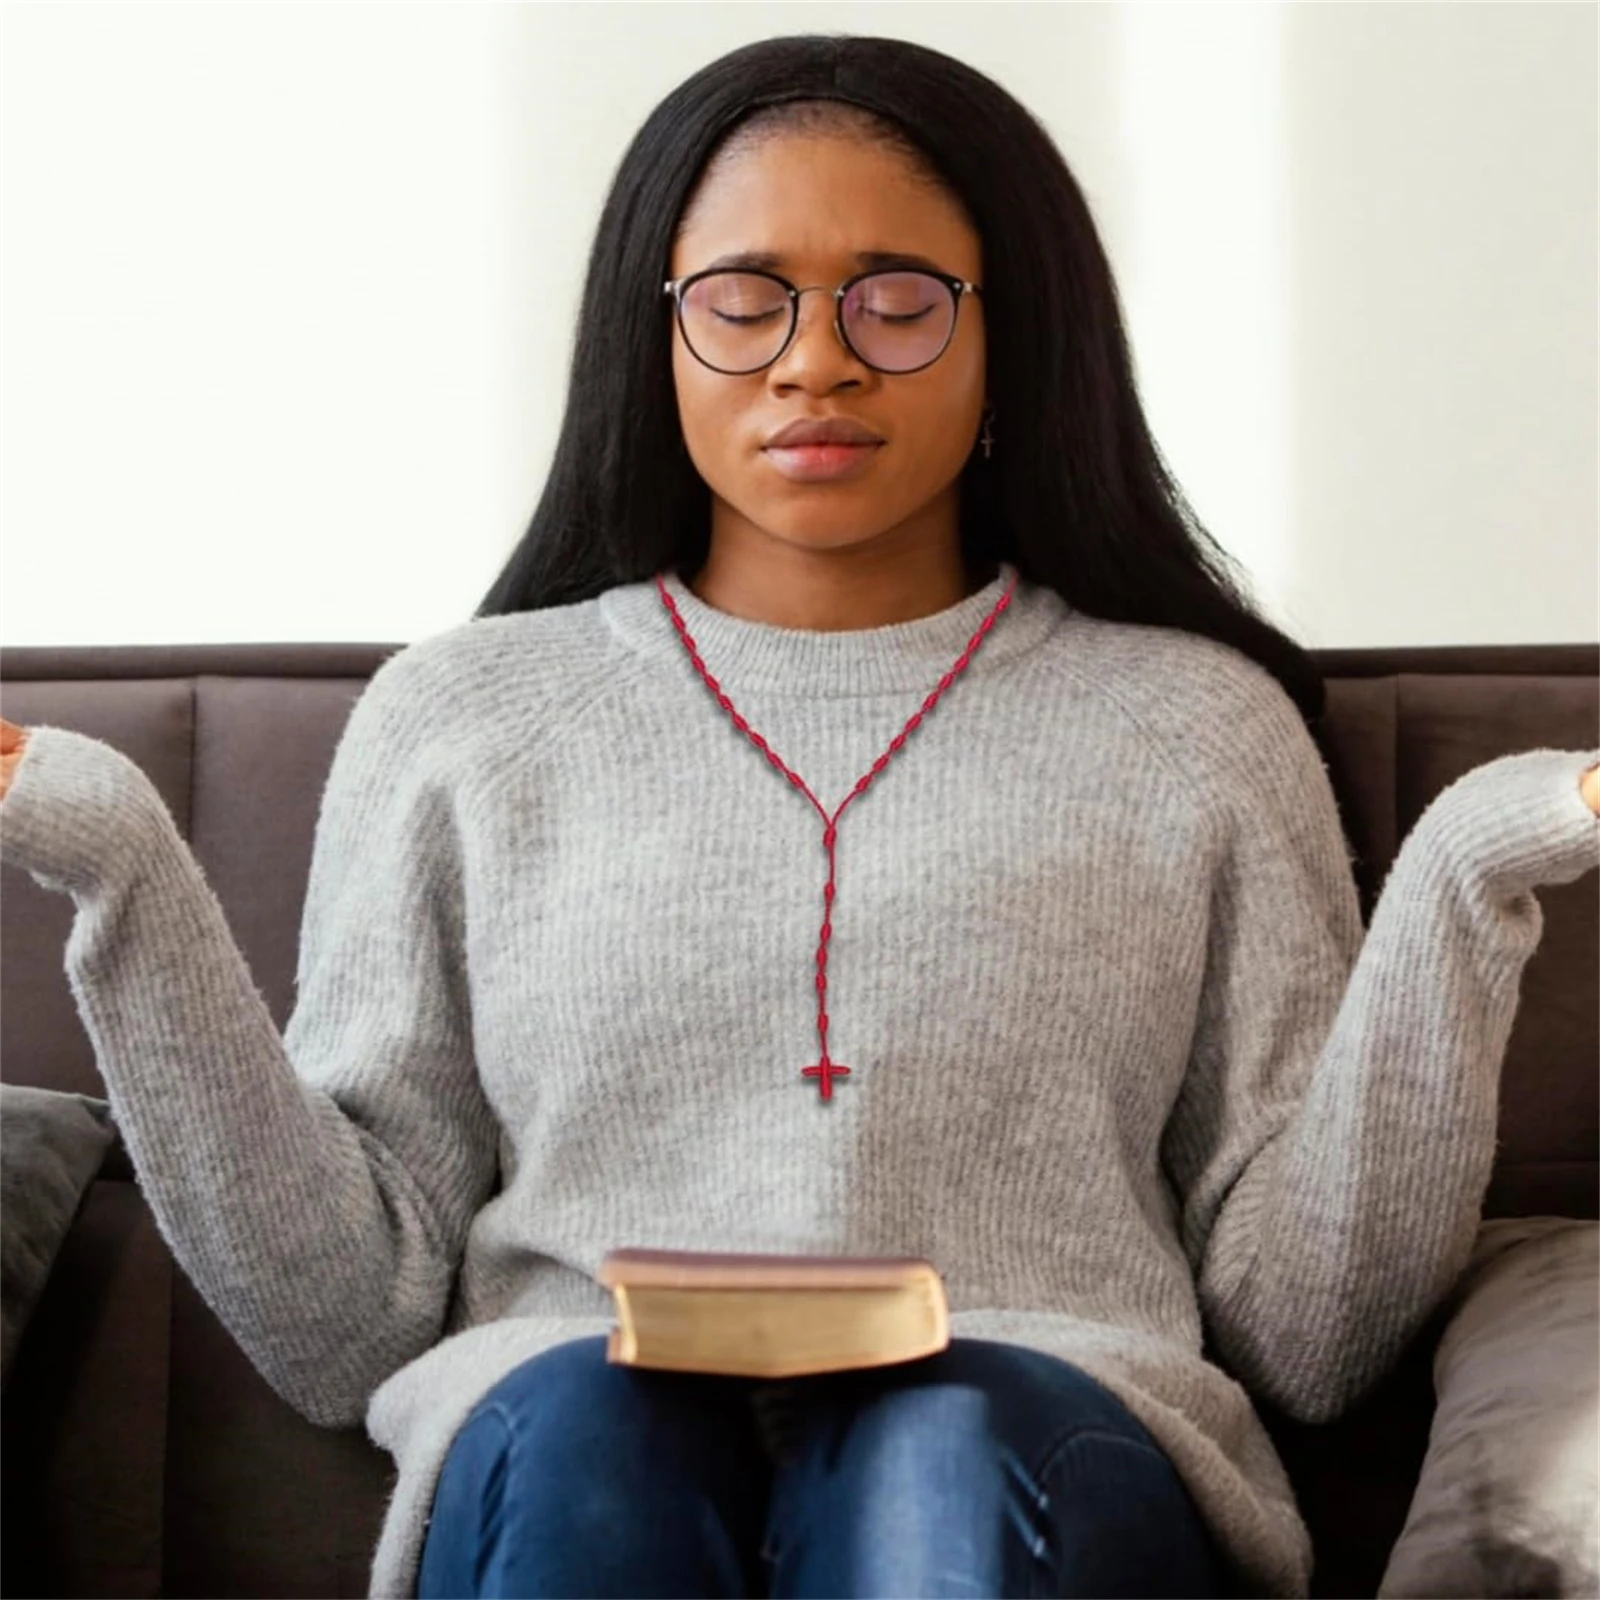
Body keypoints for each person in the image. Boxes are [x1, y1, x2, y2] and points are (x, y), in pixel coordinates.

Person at [1, 29, 1596, 1600]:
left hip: (1046, 1446)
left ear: (1009, 340)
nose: (815, 358)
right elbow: (342, 1326)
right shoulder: (462, 719)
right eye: (743, 300)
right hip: (574, 1432)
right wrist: (116, 858)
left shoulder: (1193, 725)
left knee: (933, 1449)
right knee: (581, 1424)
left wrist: (1470, 867)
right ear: (659, 341)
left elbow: (1305, 1340)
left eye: (896, 302)